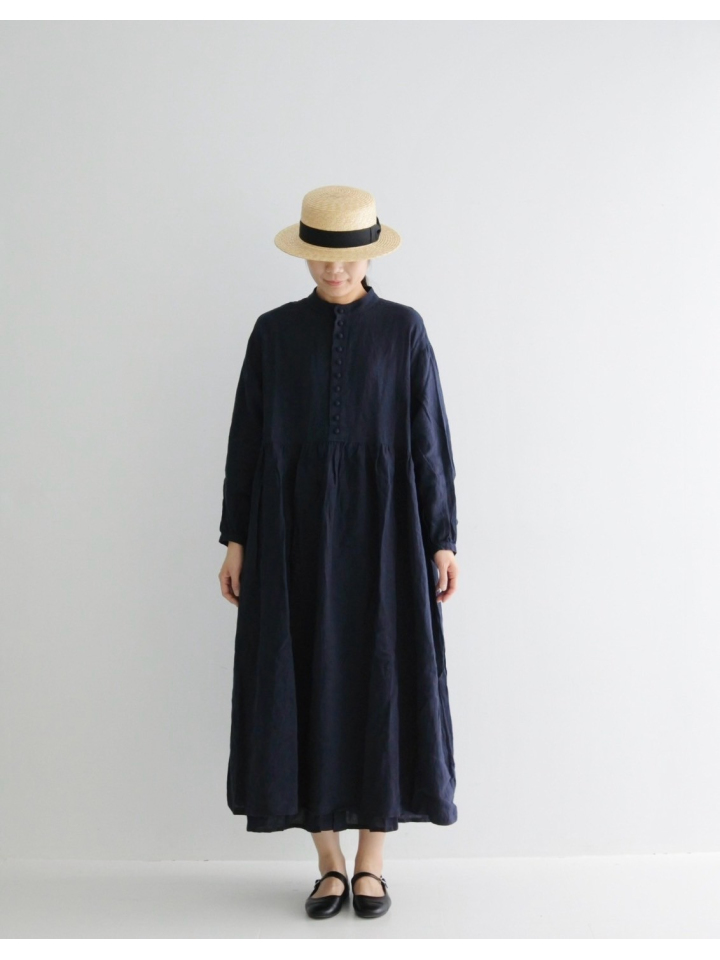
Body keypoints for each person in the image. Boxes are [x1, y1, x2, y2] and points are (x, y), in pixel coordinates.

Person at [218, 185, 459, 920]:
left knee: (384, 673)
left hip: (386, 533)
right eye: (321, 255)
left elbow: (428, 440)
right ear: (305, 254)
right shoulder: (273, 333)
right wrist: (236, 538)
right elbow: (246, 440)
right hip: (289, 532)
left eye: (347, 257)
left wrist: (442, 538)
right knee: (299, 676)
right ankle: (327, 861)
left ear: (369, 256)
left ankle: (372, 863)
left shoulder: (403, 330)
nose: (334, 269)